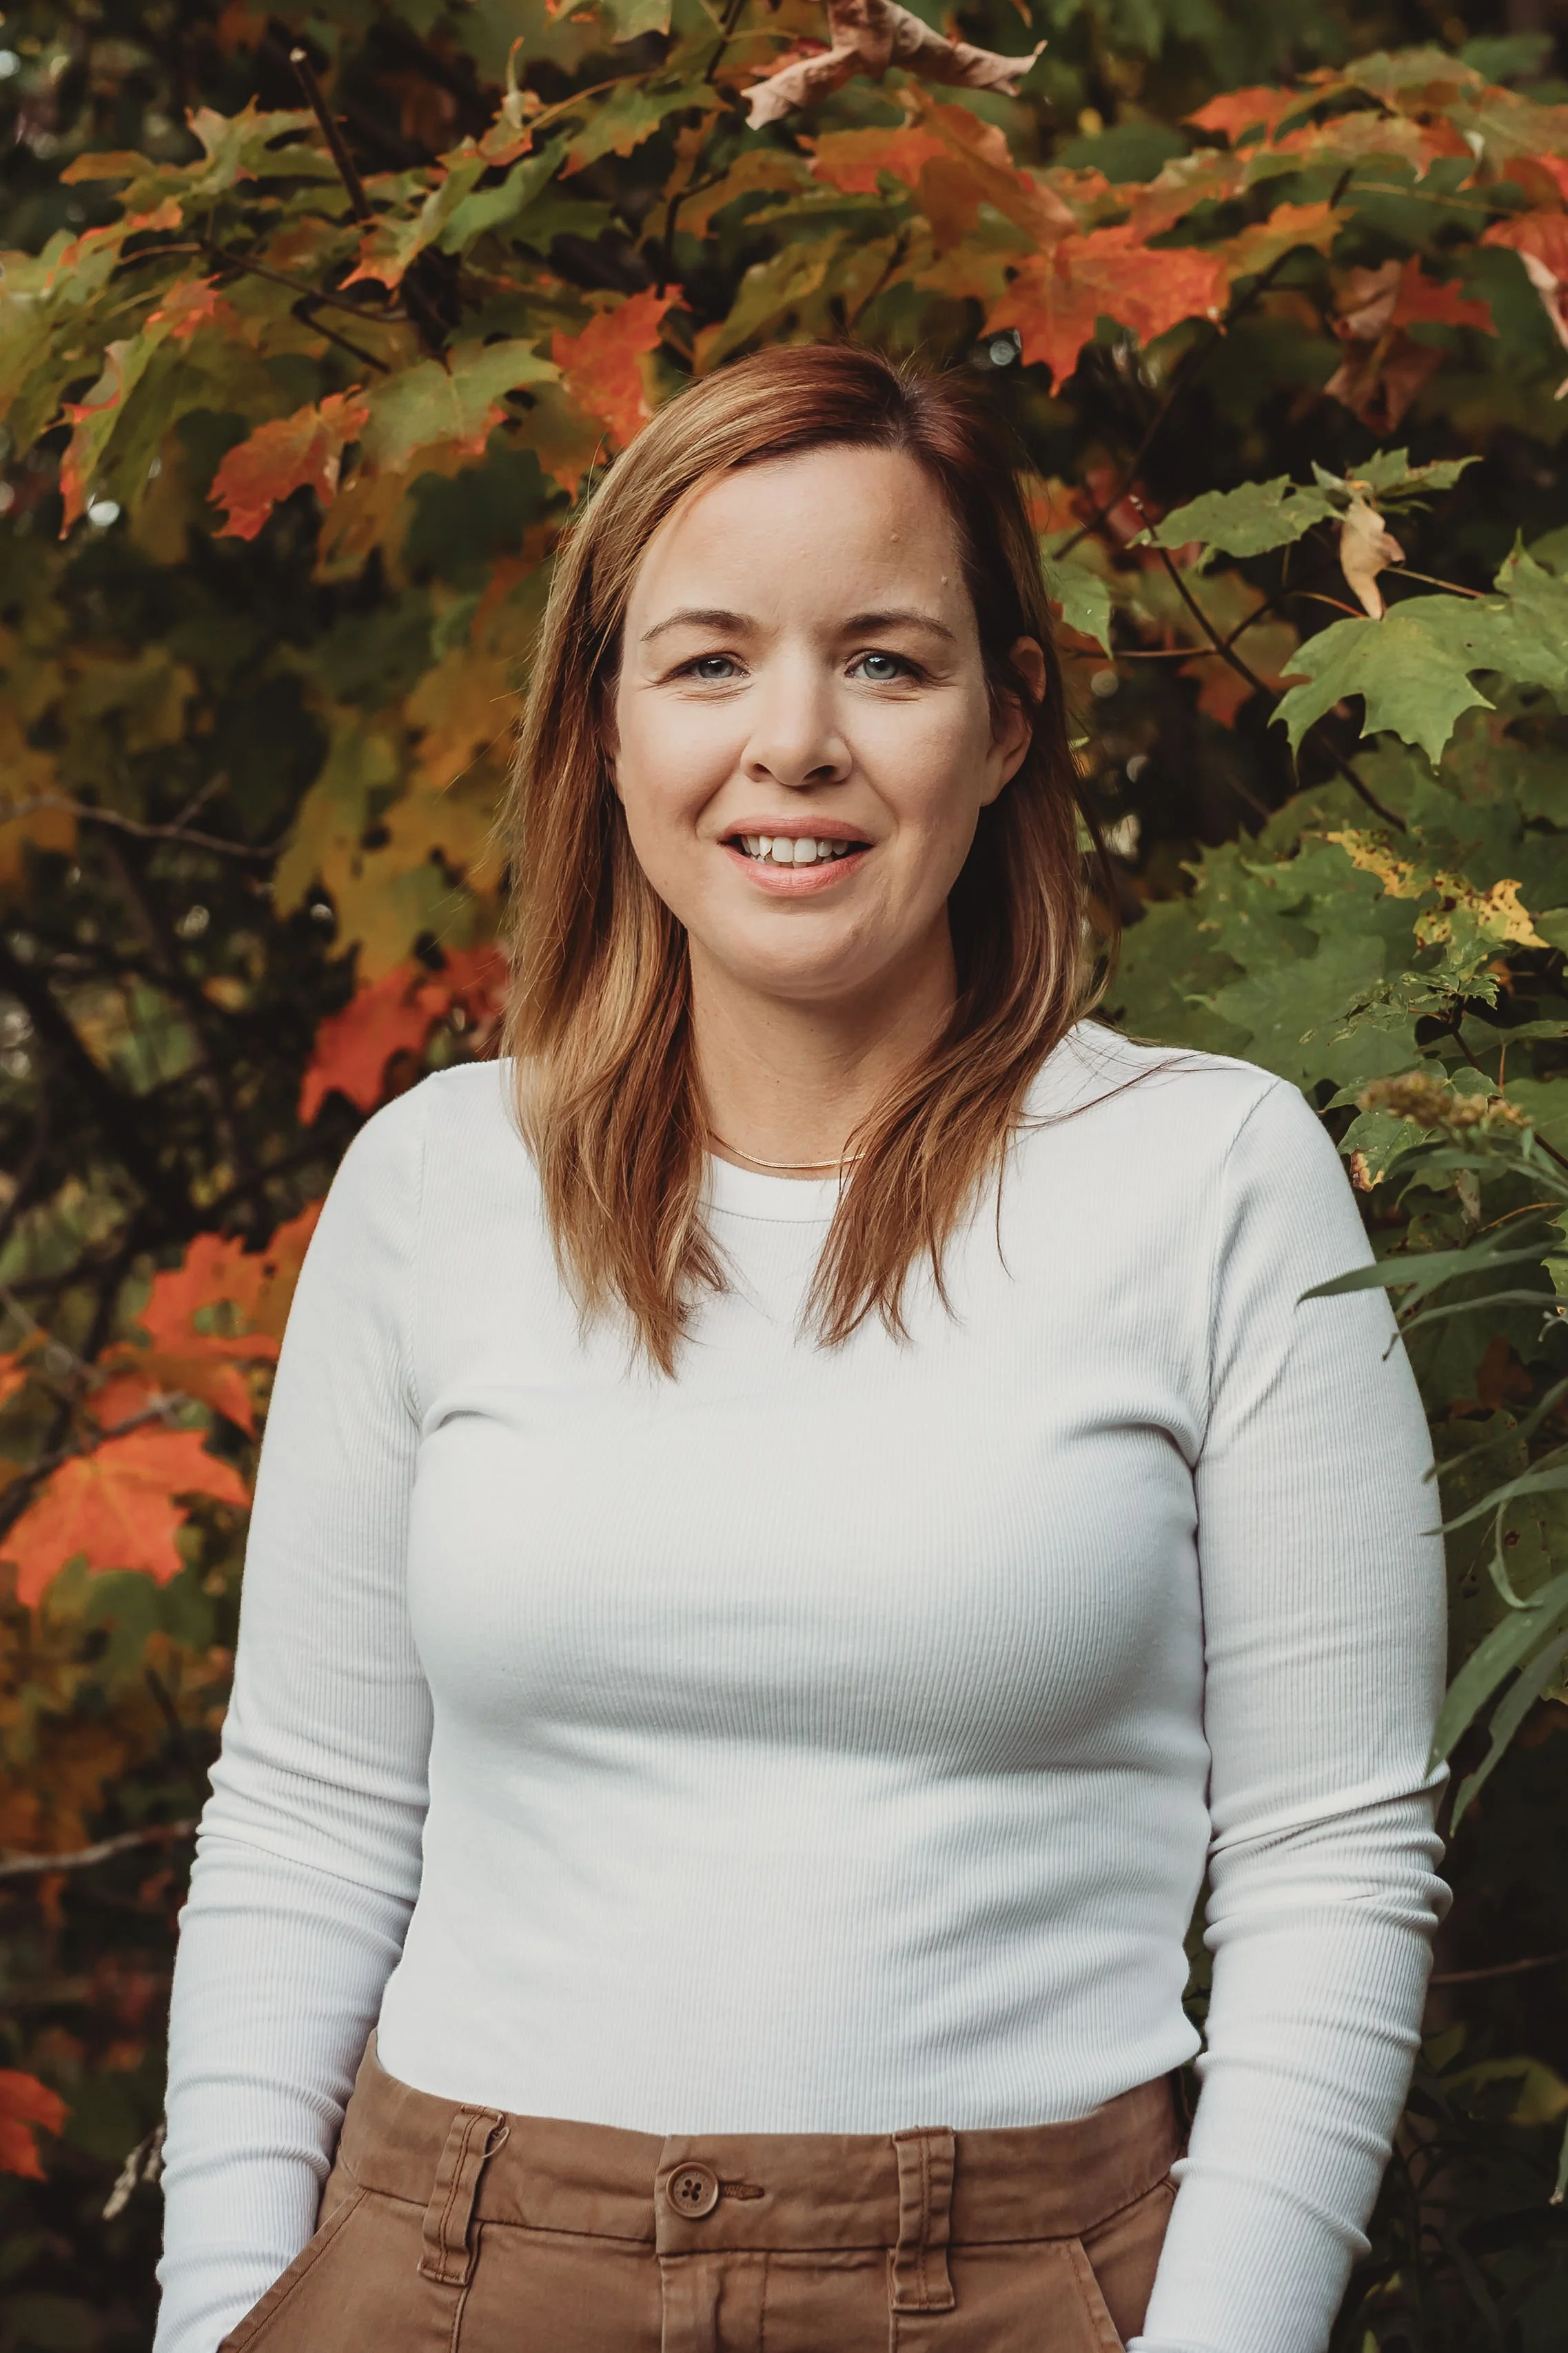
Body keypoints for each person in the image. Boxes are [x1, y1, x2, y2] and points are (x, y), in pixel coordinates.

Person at [154, 343, 1447, 2353]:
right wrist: (223, 2310)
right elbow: (308, 1818)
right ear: (603, 726)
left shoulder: (1210, 1179)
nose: (794, 741)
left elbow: (1332, 1860)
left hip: (1011, 2278)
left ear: (1010, 722)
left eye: (885, 660)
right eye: (707, 661)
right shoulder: (434, 1190)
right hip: (450, 2273)